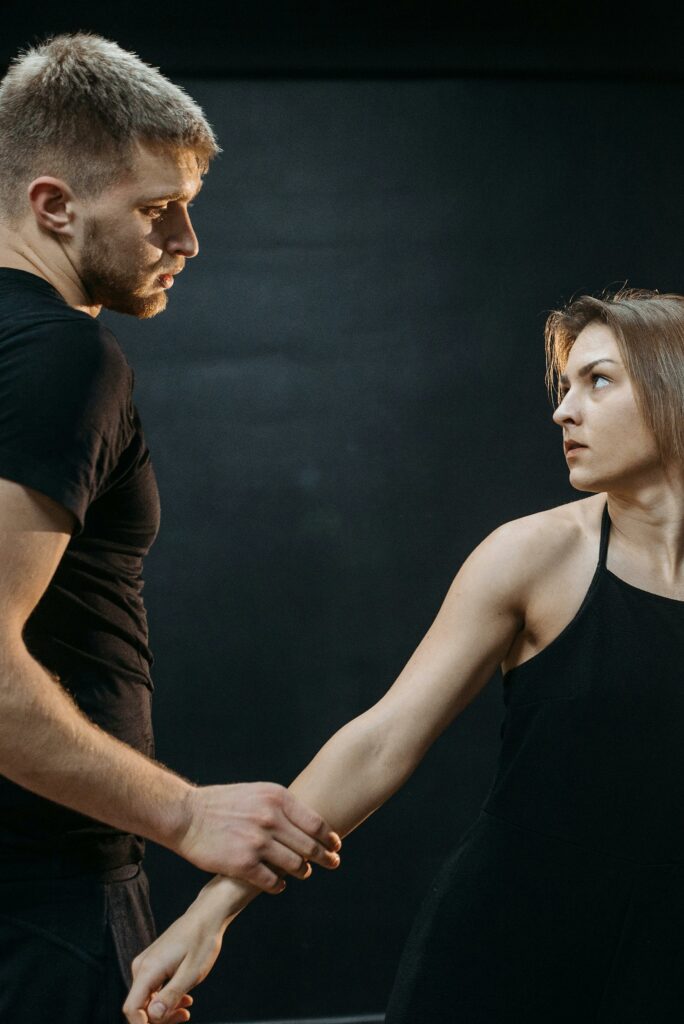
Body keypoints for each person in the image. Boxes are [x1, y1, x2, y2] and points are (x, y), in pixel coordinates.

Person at [124, 287, 684, 1024]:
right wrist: (212, 911)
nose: (563, 411)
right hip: (509, 955)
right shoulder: (533, 557)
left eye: (599, 380)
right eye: (567, 384)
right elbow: (382, 741)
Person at [0, 33, 342, 1024]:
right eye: (157, 210)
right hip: (43, 901)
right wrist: (184, 812)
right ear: (53, 205)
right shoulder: (59, 354)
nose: (187, 240)